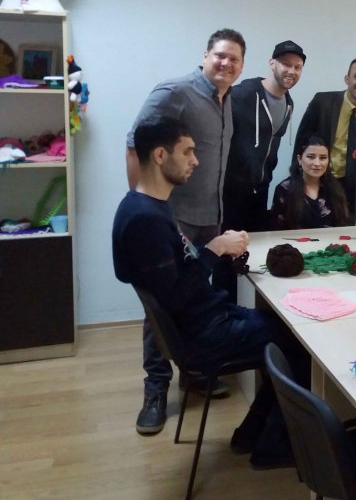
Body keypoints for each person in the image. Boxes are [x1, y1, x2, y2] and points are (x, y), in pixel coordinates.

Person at [114, 118, 309, 468]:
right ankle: (272, 445)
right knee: (302, 343)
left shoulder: (145, 207)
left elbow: (177, 279)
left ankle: (252, 434)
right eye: (187, 152)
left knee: (288, 328)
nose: (196, 160)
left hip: (209, 319)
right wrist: (214, 249)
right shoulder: (146, 220)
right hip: (204, 334)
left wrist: (219, 254)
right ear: (160, 156)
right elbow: (174, 299)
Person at [125, 28, 245, 434]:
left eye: (234, 59)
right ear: (206, 55)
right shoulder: (176, 91)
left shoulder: (226, 99)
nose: (226, 63)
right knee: (161, 305)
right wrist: (146, 206)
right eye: (220, 55)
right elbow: (135, 143)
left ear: (241, 66)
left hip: (210, 215)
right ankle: (155, 390)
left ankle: (194, 373)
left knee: (195, 298)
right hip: (174, 217)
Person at [223, 40, 305, 233]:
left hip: (261, 191)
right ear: (272, 63)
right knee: (226, 247)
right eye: (286, 64)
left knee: (254, 245)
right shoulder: (242, 95)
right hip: (230, 192)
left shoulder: (288, 103)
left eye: (297, 67)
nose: (292, 71)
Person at [294, 57, 356, 224]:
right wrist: (296, 178)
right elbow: (301, 141)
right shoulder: (322, 102)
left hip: (350, 189)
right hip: (317, 180)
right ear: (347, 79)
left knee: (345, 235)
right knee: (311, 232)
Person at [271, 134, 351, 230]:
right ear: (299, 159)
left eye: (323, 158)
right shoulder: (284, 189)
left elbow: (342, 225)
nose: (317, 163)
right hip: (293, 239)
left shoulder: (335, 189)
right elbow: (277, 229)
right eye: (311, 157)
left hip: (330, 239)